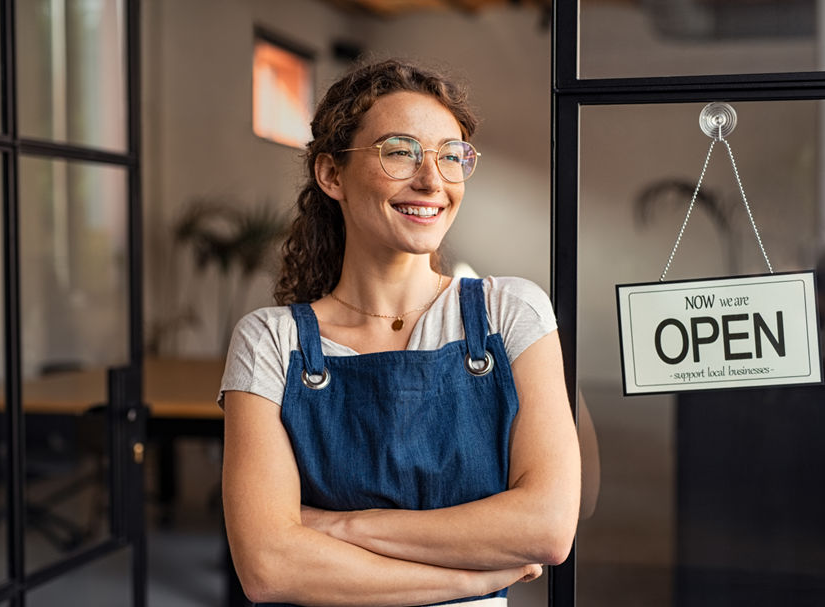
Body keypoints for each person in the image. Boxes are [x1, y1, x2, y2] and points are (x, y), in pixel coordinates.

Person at [218, 59, 582, 607]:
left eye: (450, 156)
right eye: (399, 151)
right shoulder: (270, 342)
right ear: (331, 175)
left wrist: (342, 529)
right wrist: (472, 580)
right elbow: (268, 567)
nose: (432, 180)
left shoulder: (511, 313)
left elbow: (547, 528)